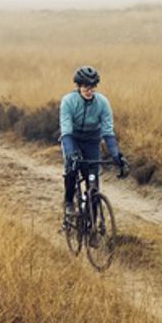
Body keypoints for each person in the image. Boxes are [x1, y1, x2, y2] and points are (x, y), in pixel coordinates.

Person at [59, 66, 126, 225]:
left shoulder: (102, 103)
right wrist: (70, 153)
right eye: (85, 87)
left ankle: (92, 225)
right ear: (78, 86)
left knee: (93, 184)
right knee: (71, 169)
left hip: (91, 141)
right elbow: (66, 131)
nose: (89, 90)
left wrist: (115, 154)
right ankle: (69, 202)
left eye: (92, 87)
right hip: (73, 139)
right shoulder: (68, 101)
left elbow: (108, 132)